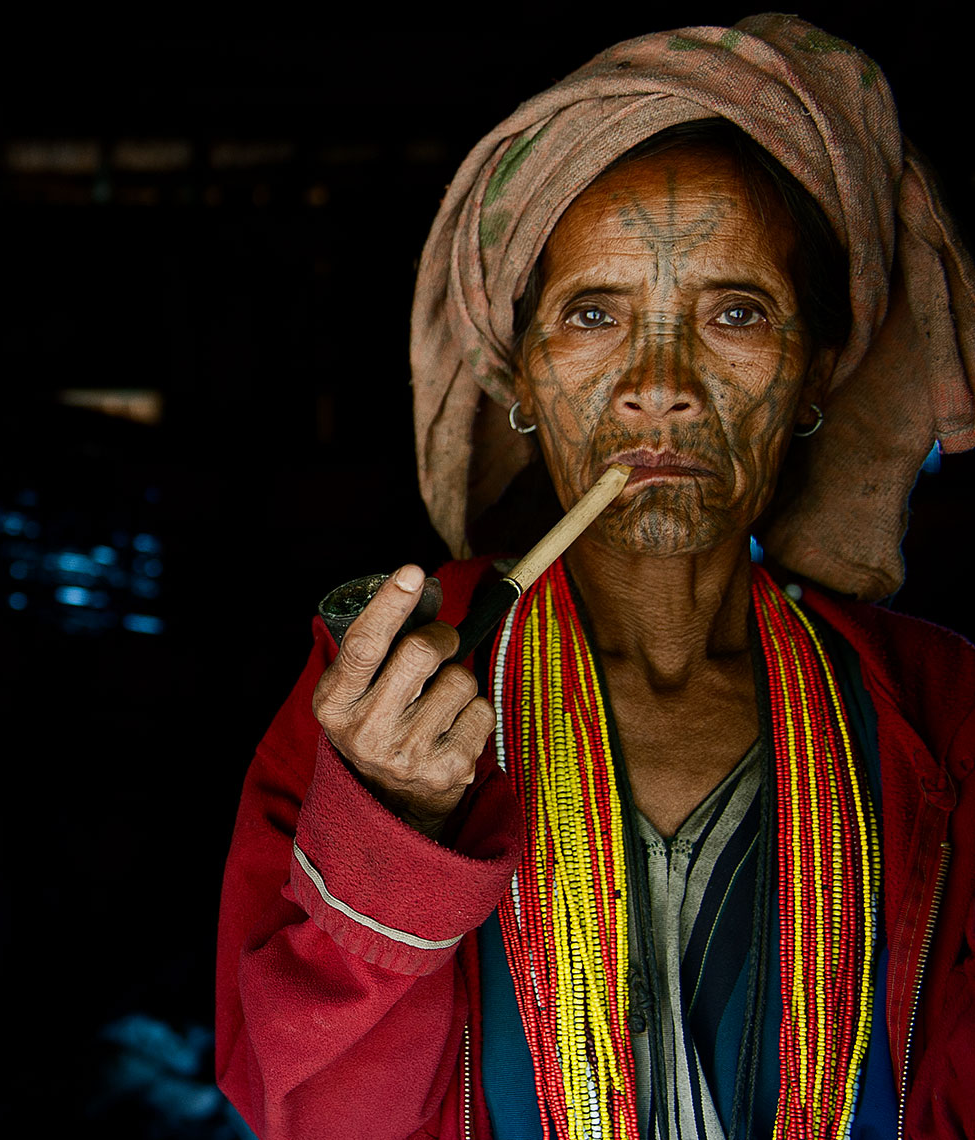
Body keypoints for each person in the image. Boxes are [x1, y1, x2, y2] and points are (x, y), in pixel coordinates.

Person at [216, 15, 975, 1140]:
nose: (657, 385)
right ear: (519, 377)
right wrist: (392, 827)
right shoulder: (395, 693)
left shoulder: (937, 707)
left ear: (815, 373)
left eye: (733, 313)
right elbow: (308, 1114)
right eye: (591, 315)